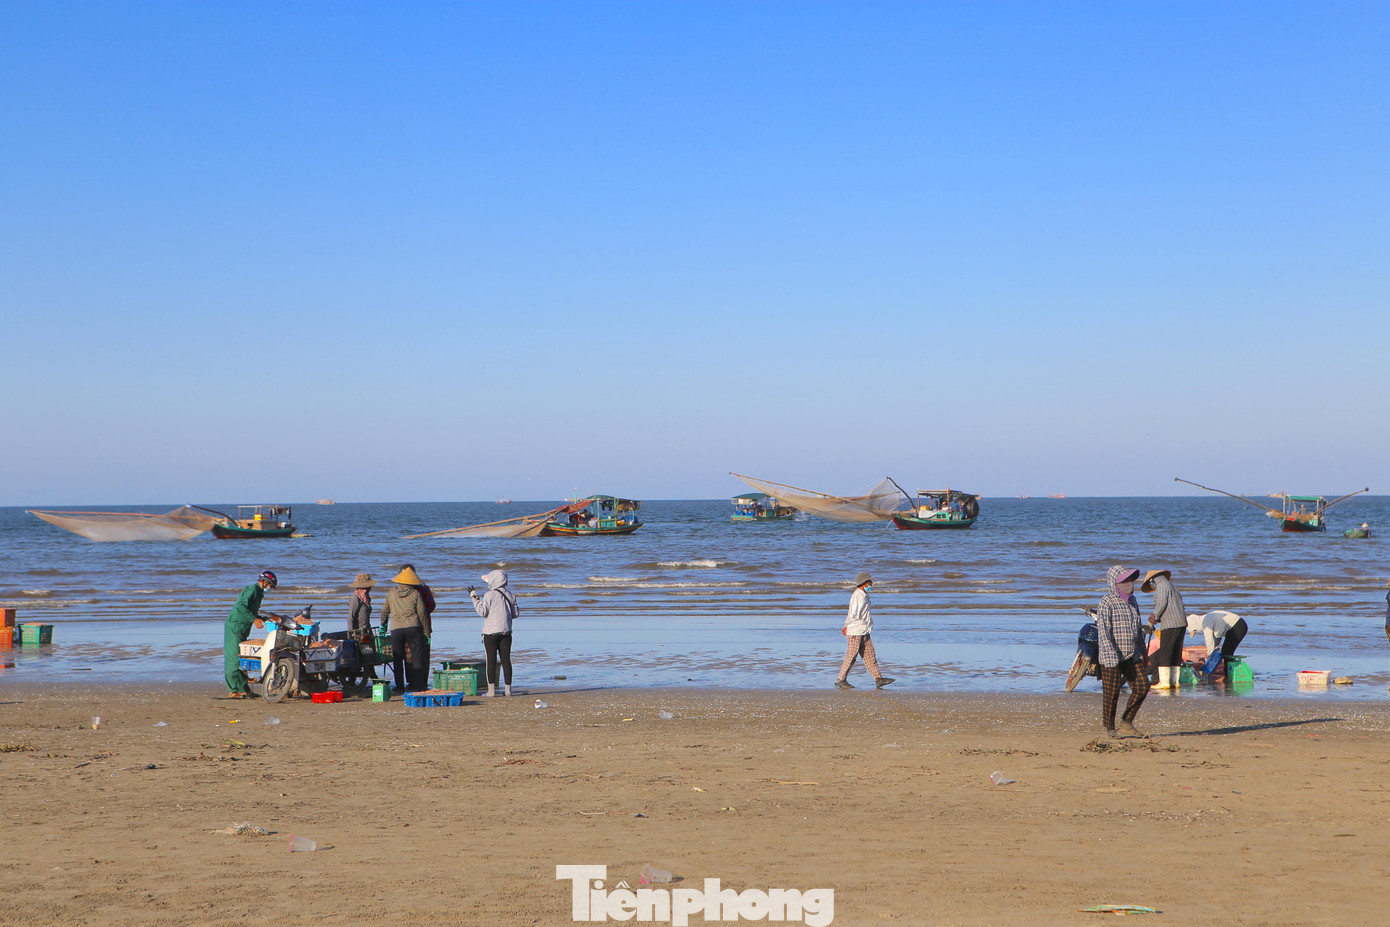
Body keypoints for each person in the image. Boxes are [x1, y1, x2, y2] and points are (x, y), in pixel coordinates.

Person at [1095, 565, 1150, 737]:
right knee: (1112, 693)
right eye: (1124, 581)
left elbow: (1137, 629)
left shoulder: (1133, 601)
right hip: (1111, 654)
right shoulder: (1107, 601)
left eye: (1130, 580)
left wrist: (1143, 652)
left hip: (1132, 653)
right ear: (1114, 583)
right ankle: (1110, 728)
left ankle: (1126, 722)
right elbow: (1103, 630)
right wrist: (1110, 654)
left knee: (1143, 686)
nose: (1129, 584)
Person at [834, 571, 895, 690]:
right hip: (856, 630)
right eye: (870, 582)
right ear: (864, 583)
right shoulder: (857, 596)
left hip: (864, 630)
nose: (871, 584)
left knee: (870, 655)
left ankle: (878, 679)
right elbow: (853, 614)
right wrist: (847, 626)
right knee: (851, 656)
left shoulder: (864, 595)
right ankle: (841, 679)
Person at [224, 570, 276, 699]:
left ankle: (244, 690)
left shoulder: (259, 593)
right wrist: (254, 620)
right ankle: (233, 690)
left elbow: (251, 612)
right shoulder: (253, 588)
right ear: (265, 582)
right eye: (270, 585)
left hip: (243, 628)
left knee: (242, 658)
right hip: (235, 626)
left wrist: (264, 618)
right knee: (234, 659)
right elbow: (241, 607)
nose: (270, 588)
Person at [380, 566, 431, 692]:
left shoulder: (391, 594)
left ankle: (399, 686)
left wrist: (384, 625)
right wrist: (426, 631)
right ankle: (418, 685)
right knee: (417, 657)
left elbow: (384, 611)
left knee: (397, 659)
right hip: (413, 627)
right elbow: (422, 614)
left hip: (396, 629)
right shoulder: (415, 594)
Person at [470, 569, 519, 697]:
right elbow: (516, 614)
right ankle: (508, 690)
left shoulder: (489, 595)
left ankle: (491, 691)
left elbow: (482, 612)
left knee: (491, 661)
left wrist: (474, 598)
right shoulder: (510, 595)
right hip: (506, 632)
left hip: (490, 633)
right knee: (506, 660)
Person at [1142, 569, 1187, 690]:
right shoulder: (1171, 586)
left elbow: (1162, 604)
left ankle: (1165, 682)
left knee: (1166, 653)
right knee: (1176, 653)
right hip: (1181, 622)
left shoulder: (1161, 586)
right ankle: (1174, 681)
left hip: (1170, 624)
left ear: (1152, 580)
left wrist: (1155, 616)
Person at [398, 563, 436, 677]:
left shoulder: (397, 591)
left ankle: (413, 680)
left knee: (410, 656)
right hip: (420, 627)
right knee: (421, 655)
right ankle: (420, 680)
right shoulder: (423, 589)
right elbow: (431, 606)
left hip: (405, 626)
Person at [348, 572, 377, 679]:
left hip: (366, 630)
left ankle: (374, 677)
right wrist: (351, 634)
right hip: (358, 633)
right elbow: (351, 617)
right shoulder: (356, 598)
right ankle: (373, 678)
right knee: (365, 655)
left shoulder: (365, 597)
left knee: (367, 655)